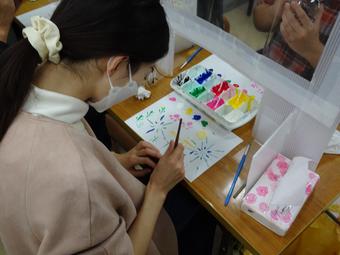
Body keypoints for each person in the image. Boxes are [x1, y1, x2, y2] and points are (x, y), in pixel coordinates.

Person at [0, 0, 187, 254]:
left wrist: (114, 162)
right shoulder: (75, 182)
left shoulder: (24, 81)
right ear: (116, 64)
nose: (141, 82)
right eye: (147, 72)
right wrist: (158, 189)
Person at [254, 0, 340, 80]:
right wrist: (274, 11)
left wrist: (313, 50)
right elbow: (259, 20)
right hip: (265, 67)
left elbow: (335, 86)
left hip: (303, 91)